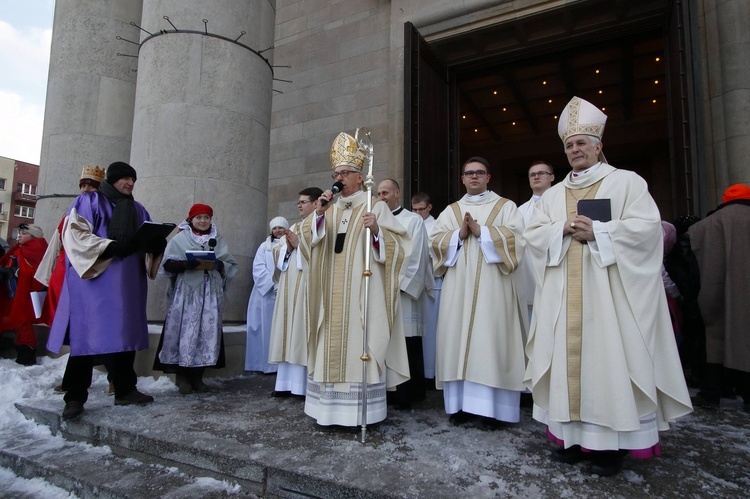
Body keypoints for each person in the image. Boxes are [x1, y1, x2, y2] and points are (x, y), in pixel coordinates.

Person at [524, 97, 692, 476]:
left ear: (598, 146)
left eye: (582, 143)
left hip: (609, 300)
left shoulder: (626, 182)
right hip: (564, 300)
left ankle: (608, 447)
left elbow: (649, 231)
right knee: (567, 364)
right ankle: (569, 438)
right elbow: (531, 236)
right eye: (569, 145)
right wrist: (561, 229)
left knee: (607, 364)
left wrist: (600, 232)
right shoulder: (552, 196)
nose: (575, 150)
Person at [299, 131, 410, 427]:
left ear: (360, 177)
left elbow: (400, 249)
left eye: (345, 173)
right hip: (330, 294)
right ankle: (327, 411)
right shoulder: (328, 208)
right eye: (336, 173)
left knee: (359, 342)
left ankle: (363, 413)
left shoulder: (376, 206)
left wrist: (377, 232)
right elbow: (307, 239)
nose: (339, 178)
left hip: (361, 297)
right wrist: (319, 215)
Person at [46, 161, 168, 420]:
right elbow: (75, 235)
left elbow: (145, 237)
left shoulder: (138, 209)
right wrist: (110, 247)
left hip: (128, 283)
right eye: (125, 179)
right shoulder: (89, 202)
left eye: (133, 180)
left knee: (125, 336)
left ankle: (125, 389)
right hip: (95, 282)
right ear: (111, 180)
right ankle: (75, 397)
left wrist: (156, 244)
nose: (130, 184)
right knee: (87, 337)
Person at [428, 156, 527, 427]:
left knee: (492, 341)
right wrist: (458, 235)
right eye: (469, 173)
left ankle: (496, 411)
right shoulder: (451, 211)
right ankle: (461, 406)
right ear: (462, 179)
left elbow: (518, 240)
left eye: (479, 173)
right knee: (457, 341)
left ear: (488, 177)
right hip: (458, 289)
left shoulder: (506, 206)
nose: (474, 177)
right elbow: (433, 243)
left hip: (494, 289)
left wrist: (482, 231)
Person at [35, 164, 114, 393]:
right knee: (78, 332)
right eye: (83, 184)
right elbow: (57, 241)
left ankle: (113, 377)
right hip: (69, 277)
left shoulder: (104, 209)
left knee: (99, 329)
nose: (86, 188)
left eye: (91, 184)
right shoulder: (74, 209)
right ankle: (75, 382)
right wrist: (46, 273)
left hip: (92, 274)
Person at [154, 203, 238, 394]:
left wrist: (217, 263)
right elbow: (167, 264)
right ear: (191, 219)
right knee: (185, 332)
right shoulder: (180, 238)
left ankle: (198, 377)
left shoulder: (217, 238)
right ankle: (182, 377)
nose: (202, 221)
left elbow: (230, 264)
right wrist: (184, 264)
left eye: (206, 217)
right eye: (198, 217)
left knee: (204, 334)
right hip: (187, 294)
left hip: (209, 293)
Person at [688, 183, 750, 411]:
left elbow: (692, 267)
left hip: (714, 292)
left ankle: (711, 393)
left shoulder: (705, 225)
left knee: (714, 339)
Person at [377, 178, 433, 408]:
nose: (381, 197)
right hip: (380, 293)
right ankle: (386, 391)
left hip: (402, 292)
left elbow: (417, 257)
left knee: (408, 343)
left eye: (386, 192)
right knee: (384, 342)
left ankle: (409, 394)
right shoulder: (374, 220)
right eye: (379, 193)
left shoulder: (413, 221)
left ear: (397, 193)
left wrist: (399, 285)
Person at [268, 187, 323, 397]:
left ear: (316, 203)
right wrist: (289, 248)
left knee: (301, 331)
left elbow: (324, 255)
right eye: (298, 202)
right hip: (289, 287)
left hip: (308, 287)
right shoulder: (295, 226)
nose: (299, 205)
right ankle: (284, 384)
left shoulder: (321, 224)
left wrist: (300, 246)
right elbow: (278, 253)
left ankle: (302, 386)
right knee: (287, 331)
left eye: (303, 202)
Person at [245, 216, 289, 373]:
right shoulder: (264, 247)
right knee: (262, 327)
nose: (278, 231)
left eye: (280, 228)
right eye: (275, 228)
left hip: (285, 290)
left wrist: (283, 283)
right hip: (264, 294)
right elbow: (258, 267)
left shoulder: (290, 245)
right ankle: (261, 364)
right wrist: (273, 283)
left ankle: (280, 365)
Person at [0, 224, 49, 366]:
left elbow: (34, 272)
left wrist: (13, 272)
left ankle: (26, 355)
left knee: (23, 323)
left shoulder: (35, 249)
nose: (19, 235)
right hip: (14, 292)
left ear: (34, 237)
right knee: (19, 323)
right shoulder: (20, 249)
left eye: (24, 233)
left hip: (26, 294)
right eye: (19, 232)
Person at [518, 160, 555, 323]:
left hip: (553, 267)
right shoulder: (519, 211)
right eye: (532, 174)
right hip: (528, 273)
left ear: (552, 177)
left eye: (541, 173)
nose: (536, 177)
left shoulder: (561, 204)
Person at [411, 192, 441, 385]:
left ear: (429, 207)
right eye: (414, 210)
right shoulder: (410, 224)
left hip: (433, 282)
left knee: (431, 329)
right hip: (413, 282)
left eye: (421, 209)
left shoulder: (437, 226)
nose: (418, 213)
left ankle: (431, 372)